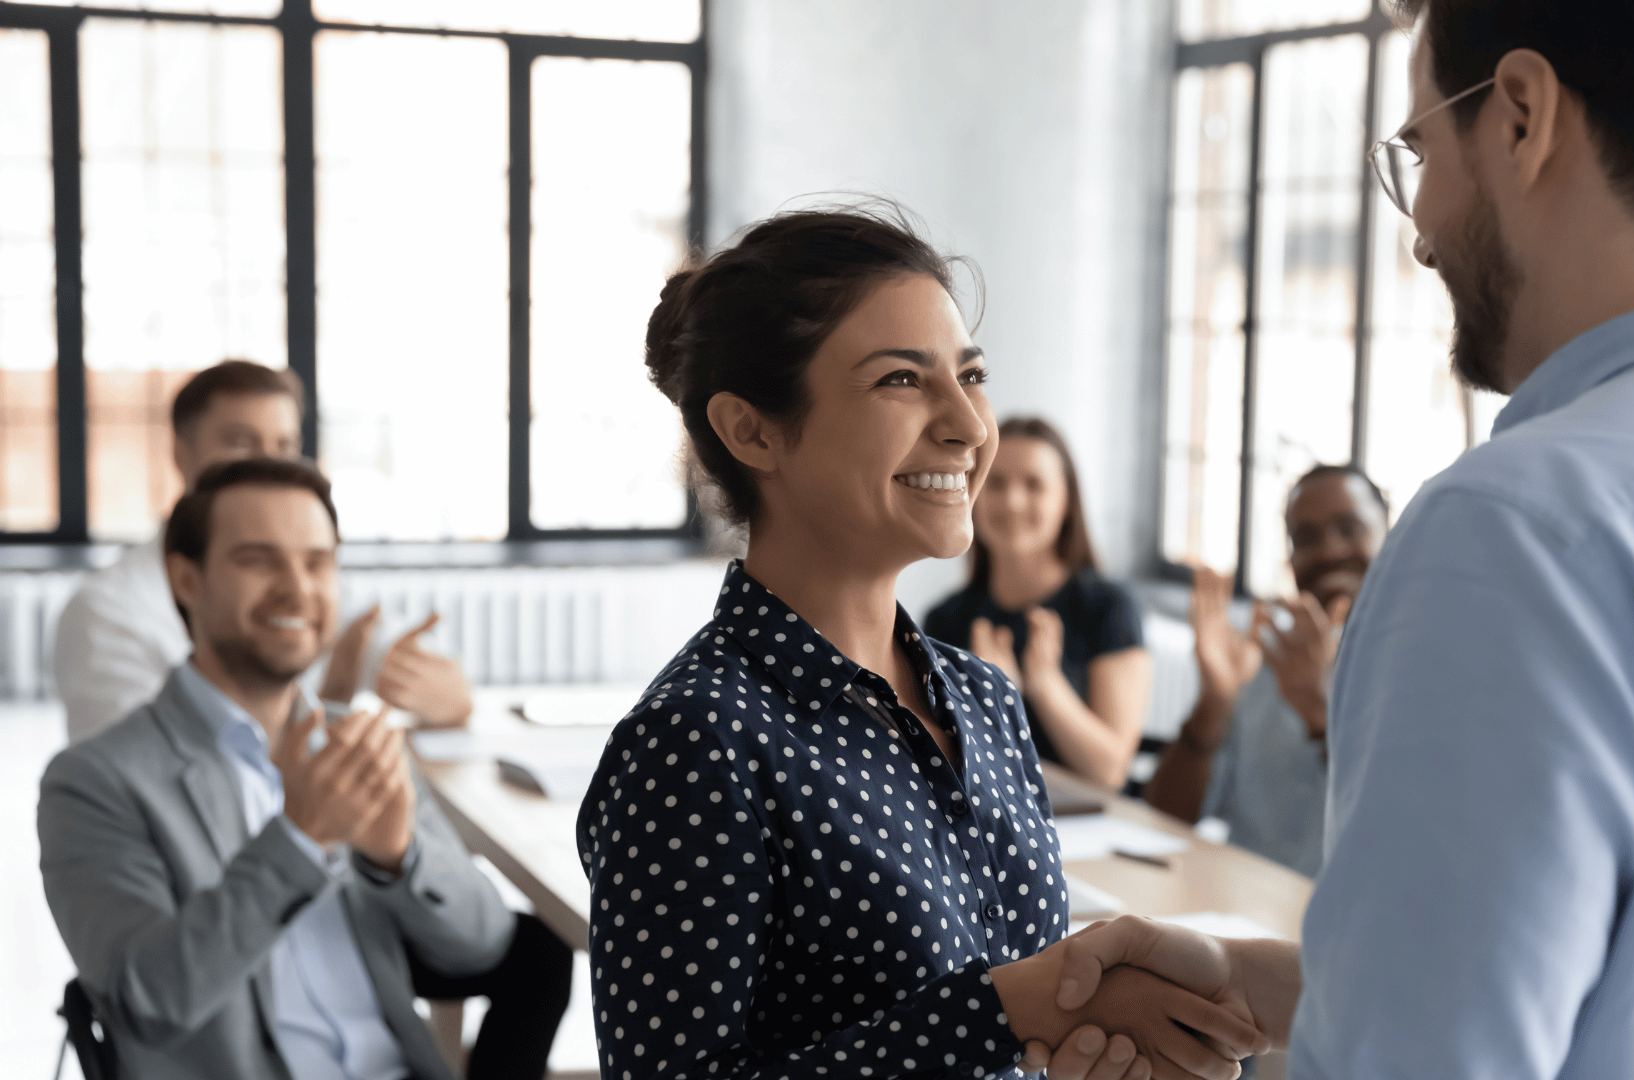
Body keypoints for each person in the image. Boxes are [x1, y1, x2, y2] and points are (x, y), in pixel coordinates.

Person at [1027, 1, 1634, 1078]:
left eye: (1417, 150)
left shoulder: (1514, 528)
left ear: (1521, 117)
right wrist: (1278, 988)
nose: (1420, 230)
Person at [575, 207, 1260, 1080]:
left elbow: (1020, 1033)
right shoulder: (696, 742)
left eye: (970, 376)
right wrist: (1006, 1012)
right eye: (902, 381)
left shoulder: (981, 696)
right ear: (753, 431)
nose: (970, 428)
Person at [39, 458, 573, 1080]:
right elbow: (149, 1005)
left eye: (318, 562)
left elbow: (485, 946)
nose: (297, 588)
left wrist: (397, 857)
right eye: (258, 560)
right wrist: (297, 840)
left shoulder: (357, 741)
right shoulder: (93, 782)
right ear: (186, 580)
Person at [53, 359, 472, 744]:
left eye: (284, 446)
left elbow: (420, 668)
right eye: (240, 443)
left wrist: (441, 689)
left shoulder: (308, 584)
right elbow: (145, 788)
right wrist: (326, 714)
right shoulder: (108, 612)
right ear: (182, 454)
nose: (267, 466)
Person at [1144, 464, 1388, 877]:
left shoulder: (1423, 665)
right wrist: (1214, 703)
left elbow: (1401, 828)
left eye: (1349, 528)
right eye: (1306, 538)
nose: (1329, 551)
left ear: (1390, 537)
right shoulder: (1262, 657)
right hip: (1245, 915)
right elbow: (1166, 815)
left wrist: (1317, 712)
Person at [924, 416, 1152, 790]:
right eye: (995, 483)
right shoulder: (944, 621)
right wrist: (998, 700)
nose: (1013, 502)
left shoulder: (1110, 608)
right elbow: (947, 767)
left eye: (1034, 485)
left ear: (1067, 501)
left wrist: (1044, 684)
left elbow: (1109, 772)